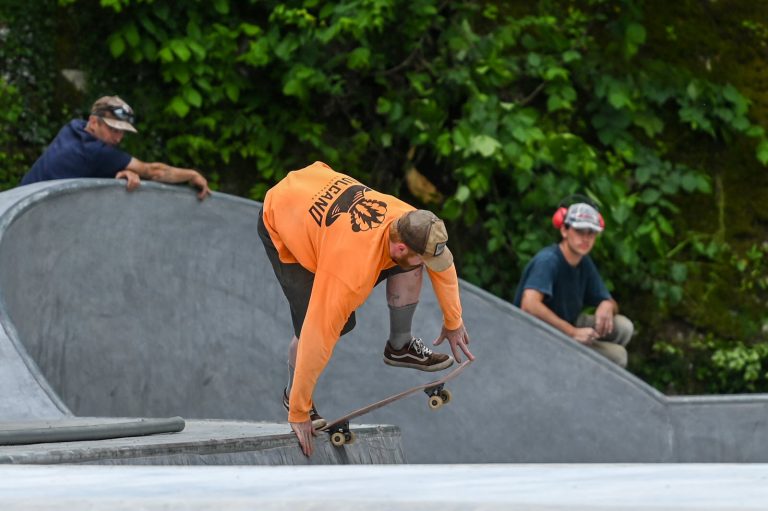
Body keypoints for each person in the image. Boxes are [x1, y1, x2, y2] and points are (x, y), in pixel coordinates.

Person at [258, 161, 475, 456]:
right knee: (327, 326)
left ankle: (400, 345)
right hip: (283, 219)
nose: (427, 264)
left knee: (411, 269)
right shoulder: (347, 273)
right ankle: (291, 395)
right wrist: (298, 411)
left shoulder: (409, 221)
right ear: (400, 249)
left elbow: (443, 267)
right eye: (422, 257)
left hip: (316, 185)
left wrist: (453, 321)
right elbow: (316, 335)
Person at [513, 198, 633, 367]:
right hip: (540, 336)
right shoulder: (548, 260)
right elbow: (529, 305)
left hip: (568, 324)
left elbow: (609, 301)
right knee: (618, 357)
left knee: (623, 326)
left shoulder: (584, 262)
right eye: (579, 231)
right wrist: (572, 333)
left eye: (591, 232)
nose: (586, 238)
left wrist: (607, 304)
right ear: (564, 230)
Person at [21, 95, 209, 199]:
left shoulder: (74, 128)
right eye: (113, 129)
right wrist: (192, 175)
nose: (118, 138)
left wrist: (117, 171)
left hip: (20, 199)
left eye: (123, 132)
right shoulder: (97, 152)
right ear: (94, 122)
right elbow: (153, 171)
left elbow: (82, 167)